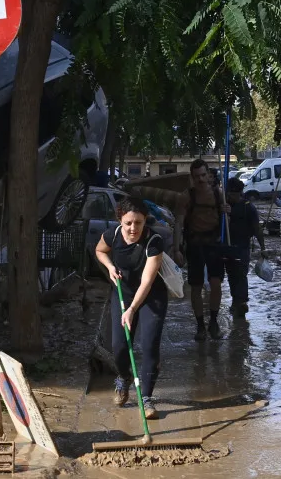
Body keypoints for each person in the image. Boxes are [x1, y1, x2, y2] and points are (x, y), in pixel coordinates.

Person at [128, 159, 229, 341]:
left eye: (203, 175)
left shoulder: (218, 194)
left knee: (216, 284)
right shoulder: (186, 197)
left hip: (214, 244)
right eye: (197, 176)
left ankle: (213, 322)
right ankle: (200, 326)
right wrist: (176, 250)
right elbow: (179, 224)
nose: (200, 179)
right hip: (195, 244)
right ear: (192, 177)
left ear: (208, 175)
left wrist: (226, 211)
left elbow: (226, 221)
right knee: (196, 287)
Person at [95, 197, 168, 419]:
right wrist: (109, 267)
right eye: (128, 223)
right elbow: (100, 251)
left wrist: (132, 309)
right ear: (120, 221)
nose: (133, 228)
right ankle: (123, 377)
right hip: (122, 294)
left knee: (149, 345)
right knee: (119, 346)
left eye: (138, 222)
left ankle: (146, 398)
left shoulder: (154, 242)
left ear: (145, 221)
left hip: (150, 297)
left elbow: (147, 281)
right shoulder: (113, 235)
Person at [224, 177, 267, 318]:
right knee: (231, 275)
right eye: (229, 193)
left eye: (233, 194)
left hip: (243, 247)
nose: (230, 196)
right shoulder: (224, 206)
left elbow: (257, 228)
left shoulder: (248, 207)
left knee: (241, 274)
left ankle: (241, 302)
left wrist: (263, 248)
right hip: (228, 246)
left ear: (239, 193)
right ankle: (236, 301)